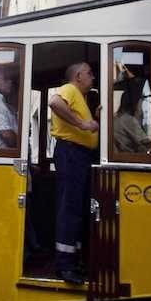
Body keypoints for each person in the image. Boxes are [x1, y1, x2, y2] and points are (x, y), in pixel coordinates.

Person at [48, 62, 99, 285]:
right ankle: (64, 265)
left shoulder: (81, 97)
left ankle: (74, 259)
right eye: (89, 73)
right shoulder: (69, 89)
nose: (93, 77)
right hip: (71, 153)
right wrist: (83, 125)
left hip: (80, 155)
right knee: (70, 207)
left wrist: (93, 120)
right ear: (78, 76)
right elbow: (54, 102)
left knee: (77, 208)